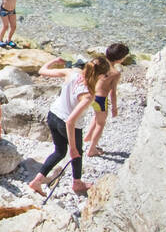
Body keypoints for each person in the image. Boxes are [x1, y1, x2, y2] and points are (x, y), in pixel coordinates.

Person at [28, 56, 111, 196]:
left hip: (53, 115)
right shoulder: (88, 95)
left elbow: (42, 70)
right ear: (101, 75)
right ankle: (77, 183)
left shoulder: (71, 73)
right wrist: (72, 148)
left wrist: (55, 60)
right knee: (77, 153)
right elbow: (70, 122)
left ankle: (36, 181)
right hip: (66, 122)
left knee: (59, 152)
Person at [85, 43, 128, 157]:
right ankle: (92, 149)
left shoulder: (98, 62)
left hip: (91, 95)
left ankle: (88, 137)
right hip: (101, 99)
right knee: (101, 123)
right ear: (120, 59)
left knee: (96, 117)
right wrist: (114, 107)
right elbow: (113, 93)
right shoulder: (115, 73)